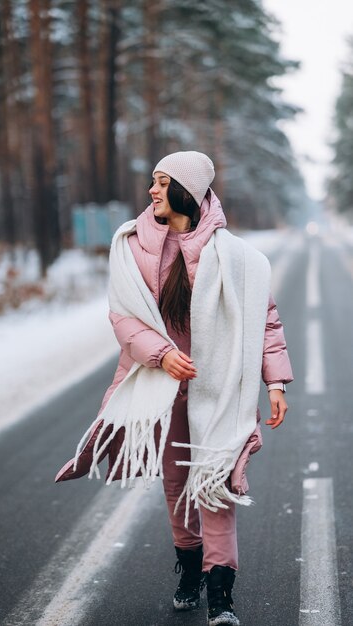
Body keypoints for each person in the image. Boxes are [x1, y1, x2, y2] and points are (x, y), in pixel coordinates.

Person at [55, 151, 293, 626]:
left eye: (162, 182)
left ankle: (221, 594)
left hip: (219, 384)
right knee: (178, 484)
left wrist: (276, 381)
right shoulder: (132, 245)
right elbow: (122, 316)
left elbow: (264, 320)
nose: (152, 191)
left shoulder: (237, 257)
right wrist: (161, 355)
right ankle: (190, 571)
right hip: (162, 386)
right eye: (153, 182)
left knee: (217, 483)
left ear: (187, 190)